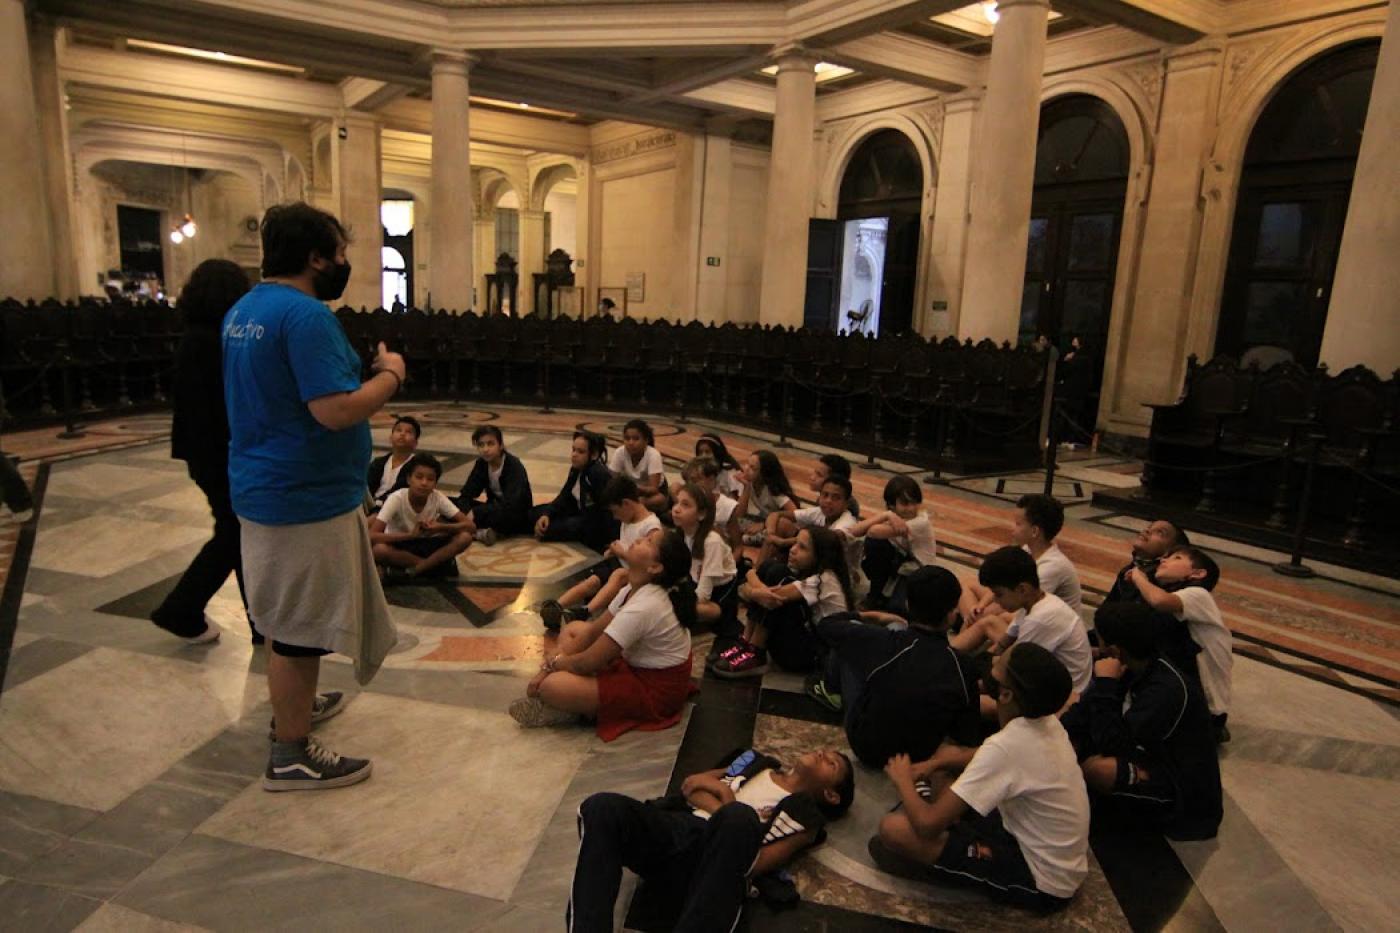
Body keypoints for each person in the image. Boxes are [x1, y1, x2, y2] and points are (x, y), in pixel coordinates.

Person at [223, 202, 402, 791]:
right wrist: (390, 375)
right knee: (300, 628)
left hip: (264, 485)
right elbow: (335, 410)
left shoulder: (245, 309)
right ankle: (292, 753)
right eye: (342, 254)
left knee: (285, 616)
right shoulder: (304, 317)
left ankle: (291, 708)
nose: (345, 264)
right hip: (302, 495)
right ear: (316, 256)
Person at [870, 643, 1090, 912]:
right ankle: (947, 823)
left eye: (998, 666)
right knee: (948, 755)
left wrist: (903, 780)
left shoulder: (1009, 745)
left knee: (893, 831)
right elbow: (989, 757)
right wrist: (937, 762)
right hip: (1021, 832)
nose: (993, 660)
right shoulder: (1045, 722)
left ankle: (944, 855)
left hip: (1042, 880)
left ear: (1006, 694)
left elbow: (928, 826)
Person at [568, 746, 855, 932]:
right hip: (677, 830)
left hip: (715, 864)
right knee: (602, 807)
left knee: (740, 819)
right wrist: (725, 808)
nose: (820, 753)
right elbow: (692, 785)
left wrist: (726, 803)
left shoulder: (804, 816)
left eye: (831, 763)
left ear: (831, 794)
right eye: (823, 751)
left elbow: (755, 862)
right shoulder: (758, 763)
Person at [149, 259, 258, 645]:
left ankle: (259, 624)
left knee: (238, 531)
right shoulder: (211, 342)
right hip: (219, 452)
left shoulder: (198, 336)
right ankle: (181, 608)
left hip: (205, 451)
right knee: (234, 532)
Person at [510, 530, 696, 741]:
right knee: (574, 629)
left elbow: (586, 663)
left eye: (648, 542)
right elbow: (592, 631)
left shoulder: (648, 604)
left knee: (552, 686)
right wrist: (552, 666)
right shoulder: (634, 587)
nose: (638, 540)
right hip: (635, 665)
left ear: (655, 567)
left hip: (653, 689)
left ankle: (574, 710)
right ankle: (578, 705)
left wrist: (552, 666)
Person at [1060, 603, 1223, 840]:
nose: (1097, 648)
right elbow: (1080, 716)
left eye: (1100, 641)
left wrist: (1106, 684)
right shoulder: (1131, 666)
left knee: (1097, 769)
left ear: (1115, 650)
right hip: (1140, 750)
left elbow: (1114, 743)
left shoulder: (1166, 689)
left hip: (1182, 792)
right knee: (1062, 731)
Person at [811, 567, 982, 769]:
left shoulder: (882, 641)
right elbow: (966, 733)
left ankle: (831, 691)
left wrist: (870, 616)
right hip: (918, 755)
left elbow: (827, 625)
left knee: (855, 640)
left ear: (908, 604)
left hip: (867, 747)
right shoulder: (964, 666)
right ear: (952, 615)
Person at [1124, 545, 1233, 743]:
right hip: (1183, 697)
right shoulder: (1172, 594)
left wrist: (1140, 578)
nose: (1163, 560)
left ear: (1198, 573)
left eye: (1176, 558)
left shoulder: (1200, 595)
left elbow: (1159, 600)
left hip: (1204, 710)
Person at [714, 526, 853, 678]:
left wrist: (751, 582)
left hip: (818, 656)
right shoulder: (812, 572)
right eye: (795, 543)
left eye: (802, 547)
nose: (793, 550)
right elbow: (760, 592)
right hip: (810, 643)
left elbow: (770, 597)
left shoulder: (824, 580)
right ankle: (746, 642)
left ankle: (756, 650)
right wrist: (755, 586)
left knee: (779, 575)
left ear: (819, 556)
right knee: (770, 567)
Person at [539, 474, 663, 631]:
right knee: (592, 581)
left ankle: (586, 610)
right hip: (619, 563)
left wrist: (622, 553)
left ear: (626, 504)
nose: (615, 517)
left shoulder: (651, 527)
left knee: (618, 575)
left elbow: (649, 562)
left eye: (615, 512)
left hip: (633, 571)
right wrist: (613, 551)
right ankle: (556, 606)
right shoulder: (628, 519)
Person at [974, 546, 1092, 699]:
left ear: (1022, 589)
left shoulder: (1041, 618)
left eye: (999, 594)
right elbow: (1004, 643)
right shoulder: (1034, 602)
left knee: (976, 702)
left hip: (1063, 698)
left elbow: (1013, 668)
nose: (995, 600)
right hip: (1047, 680)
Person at [369, 454, 474, 579]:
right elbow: (372, 536)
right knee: (379, 550)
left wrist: (441, 528)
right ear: (409, 479)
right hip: (401, 543)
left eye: (430, 479)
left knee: (465, 537)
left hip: (427, 543)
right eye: (419, 477)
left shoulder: (437, 497)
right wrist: (410, 535)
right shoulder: (396, 498)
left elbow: (470, 527)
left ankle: (416, 570)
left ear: (435, 483)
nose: (424, 483)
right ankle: (437, 567)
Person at [850, 475, 938, 612]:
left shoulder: (921, 522)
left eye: (914, 503)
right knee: (875, 545)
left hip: (920, 572)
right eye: (905, 503)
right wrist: (886, 515)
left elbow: (873, 532)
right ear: (892, 505)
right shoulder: (893, 517)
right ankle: (876, 594)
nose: (911, 508)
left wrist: (887, 516)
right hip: (901, 566)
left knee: (898, 608)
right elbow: (855, 531)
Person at [530, 430, 618, 553]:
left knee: (548, 529)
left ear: (593, 454)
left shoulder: (596, 474)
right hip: (576, 511)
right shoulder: (576, 469)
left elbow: (604, 512)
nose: (574, 455)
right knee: (534, 514)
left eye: (581, 452)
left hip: (590, 522)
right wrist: (547, 514)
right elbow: (564, 495)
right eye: (573, 450)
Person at [670, 482, 739, 637]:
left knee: (675, 605)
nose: (676, 508)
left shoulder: (711, 541)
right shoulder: (681, 532)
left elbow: (704, 595)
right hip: (694, 584)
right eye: (677, 502)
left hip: (719, 596)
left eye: (685, 505)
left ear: (701, 514)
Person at [454, 424, 533, 544]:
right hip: (491, 509)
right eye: (481, 445)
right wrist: (465, 513)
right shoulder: (482, 464)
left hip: (514, 514)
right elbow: (466, 494)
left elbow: (512, 504)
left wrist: (475, 513)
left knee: (504, 516)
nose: (485, 449)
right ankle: (478, 532)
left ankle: (470, 530)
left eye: (490, 444)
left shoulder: (513, 466)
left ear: (501, 445)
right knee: (448, 504)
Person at [1102, 519, 1190, 605]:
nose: (1147, 530)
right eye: (1149, 527)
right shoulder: (1128, 570)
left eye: (1160, 532)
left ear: (1170, 552)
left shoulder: (1163, 582)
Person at [680, 456, 741, 563]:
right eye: (688, 481)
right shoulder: (684, 505)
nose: (691, 486)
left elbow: (738, 548)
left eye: (695, 480)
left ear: (711, 479)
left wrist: (727, 569)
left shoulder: (727, 506)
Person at [734, 449, 797, 546]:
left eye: (753, 468)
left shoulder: (773, 490)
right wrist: (746, 487)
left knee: (745, 538)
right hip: (763, 519)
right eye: (747, 464)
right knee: (731, 523)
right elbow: (739, 514)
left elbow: (794, 513)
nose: (746, 469)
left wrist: (763, 525)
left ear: (764, 474)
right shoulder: (750, 483)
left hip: (776, 525)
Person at [609, 418, 669, 512]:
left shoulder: (653, 455)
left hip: (653, 493)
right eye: (627, 438)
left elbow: (654, 489)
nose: (631, 442)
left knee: (650, 500)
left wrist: (636, 489)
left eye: (636, 439)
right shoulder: (620, 452)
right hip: (632, 491)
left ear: (646, 440)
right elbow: (611, 480)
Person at [366, 415, 421, 511]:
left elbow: (398, 492)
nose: (402, 434)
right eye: (399, 430)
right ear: (391, 438)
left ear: (415, 443)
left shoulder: (415, 467)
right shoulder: (378, 463)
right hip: (372, 506)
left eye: (408, 432)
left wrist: (377, 505)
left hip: (396, 509)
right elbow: (367, 486)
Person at [694, 432, 743, 499]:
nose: (703, 456)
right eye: (700, 452)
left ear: (717, 453)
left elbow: (735, 503)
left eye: (707, 452)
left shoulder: (730, 473)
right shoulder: (697, 472)